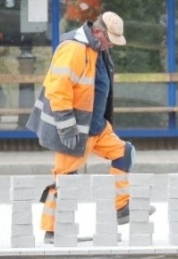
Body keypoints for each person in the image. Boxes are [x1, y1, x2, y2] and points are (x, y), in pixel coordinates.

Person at [26, 11, 153, 244]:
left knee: (124, 153)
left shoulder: (98, 51)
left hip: (96, 126)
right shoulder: (73, 49)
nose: (110, 46)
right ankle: (52, 231)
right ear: (97, 32)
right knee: (64, 180)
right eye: (109, 41)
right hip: (75, 129)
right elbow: (58, 89)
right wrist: (66, 128)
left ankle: (121, 207)